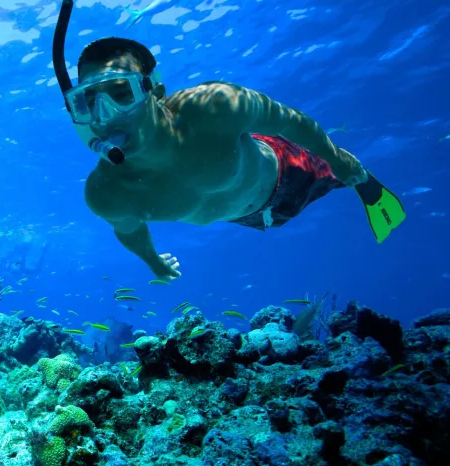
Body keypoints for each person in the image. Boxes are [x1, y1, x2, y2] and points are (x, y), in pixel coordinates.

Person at [50, 0, 406, 280]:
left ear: (154, 90)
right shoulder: (106, 193)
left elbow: (289, 121)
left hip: (289, 171)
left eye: (120, 93)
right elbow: (129, 229)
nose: (104, 115)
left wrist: (337, 159)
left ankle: (364, 183)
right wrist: (154, 262)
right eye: (87, 101)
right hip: (248, 218)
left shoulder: (215, 107)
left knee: (344, 172)